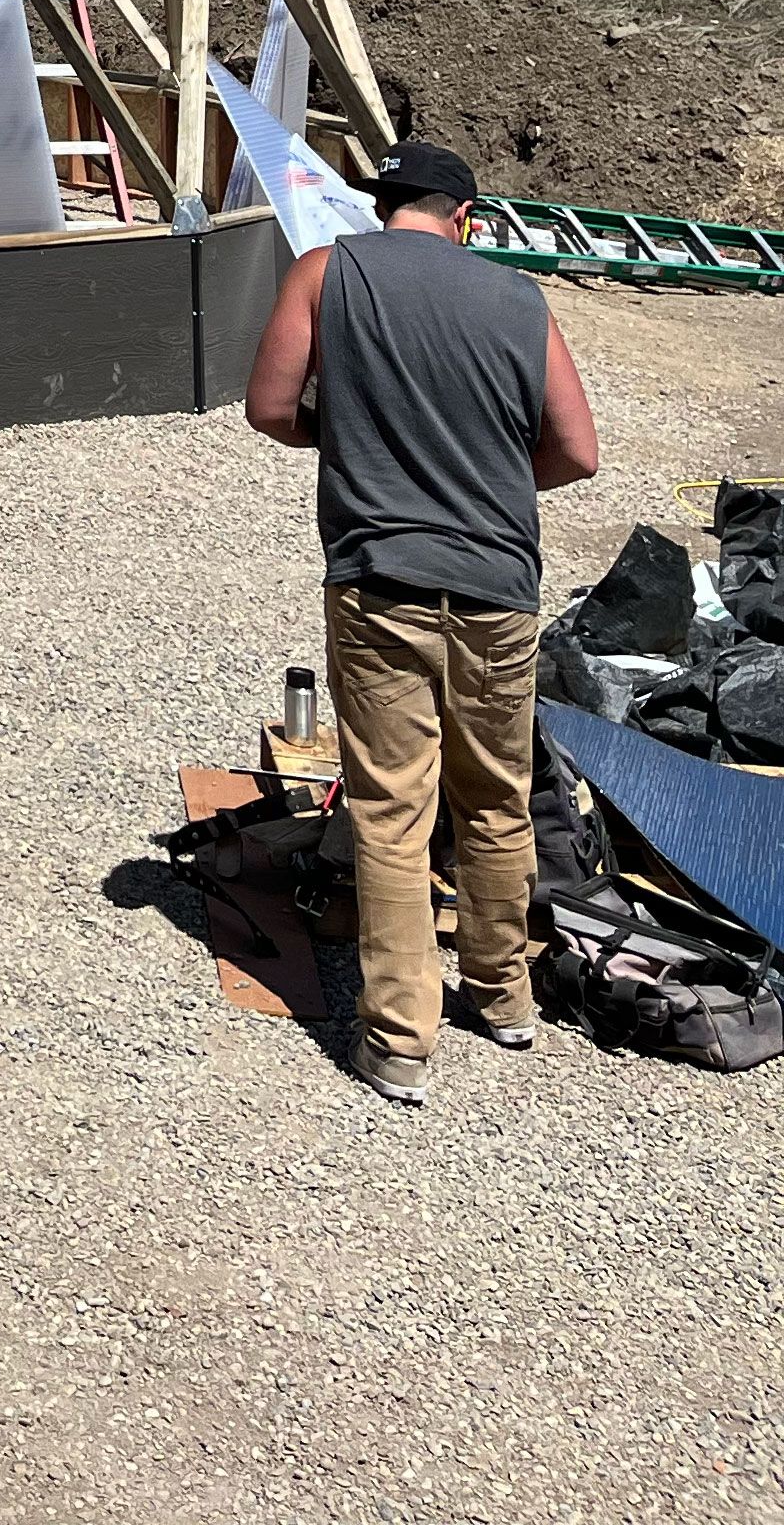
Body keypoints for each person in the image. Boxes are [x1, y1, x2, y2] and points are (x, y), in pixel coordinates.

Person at [244, 134, 600, 1107]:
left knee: (393, 813)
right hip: (497, 583)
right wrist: (486, 482)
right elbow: (577, 452)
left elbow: (270, 407)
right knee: (495, 797)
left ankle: (401, 1042)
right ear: (466, 222)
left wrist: (353, 438)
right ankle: (505, 997)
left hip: (380, 577)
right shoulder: (522, 300)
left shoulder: (328, 272)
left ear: (381, 207)